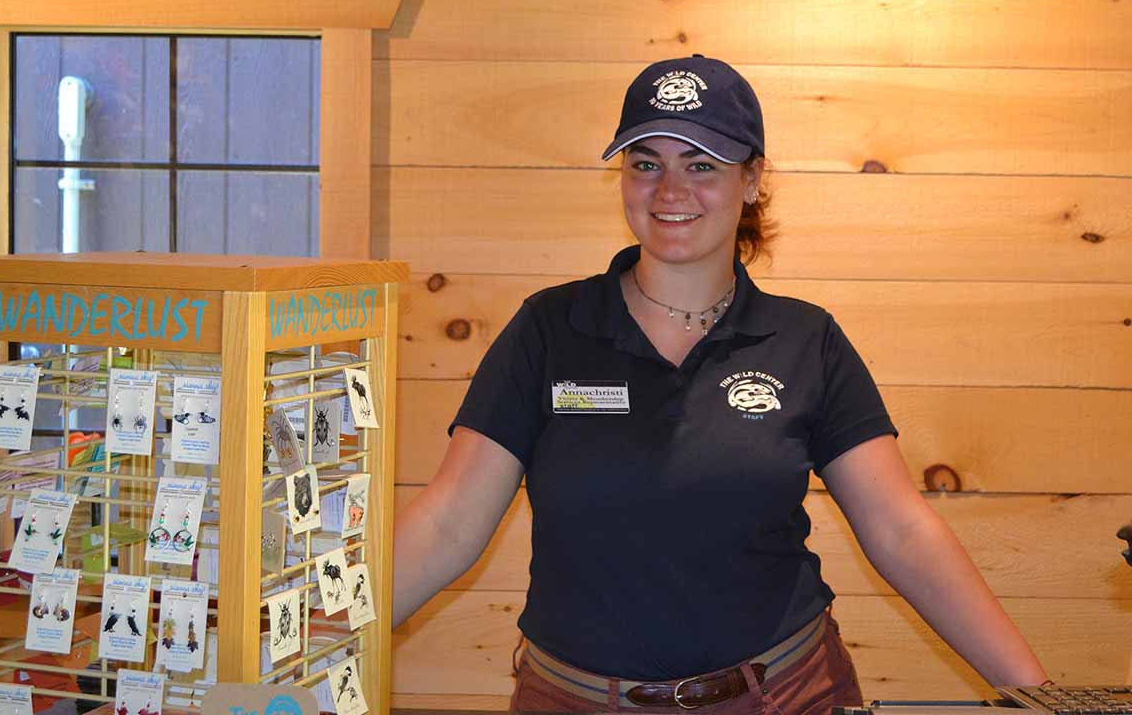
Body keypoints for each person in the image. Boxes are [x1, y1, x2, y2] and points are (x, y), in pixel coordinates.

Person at [393, 55, 1047, 713]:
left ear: (754, 179)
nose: (670, 191)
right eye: (646, 163)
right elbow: (449, 524)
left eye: (701, 164)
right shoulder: (550, 330)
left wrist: (1039, 696)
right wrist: (313, 636)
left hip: (785, 694)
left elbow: (902, 531)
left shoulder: (805, 341)